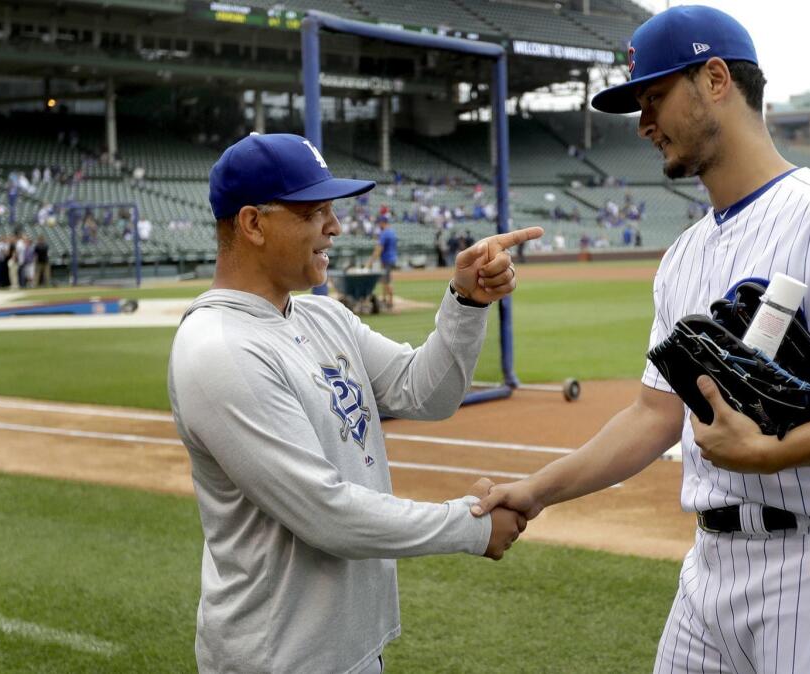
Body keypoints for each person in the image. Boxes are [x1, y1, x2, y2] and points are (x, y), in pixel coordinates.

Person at [474, 7, 810, 673]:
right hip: (709, 568)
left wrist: (774, 449)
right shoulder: (684, 259)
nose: (644, 123)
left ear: (717, 79)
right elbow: (654, 413)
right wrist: (535, 491)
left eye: (655, 98)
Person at [167, 133, 541, 673]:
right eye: (314, 212)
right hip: (277, 657)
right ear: (252, 224)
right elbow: (325, 513)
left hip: (349, 646)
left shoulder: (320, 316)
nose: (335, 228)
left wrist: (466, 301)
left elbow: (423, 391)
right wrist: (472, 525)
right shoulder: (219, 348)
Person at [370, 220, 399, 309]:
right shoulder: (392, 232)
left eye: (380, 223)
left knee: (386, 281)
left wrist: (371, 261)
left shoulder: (385, 233)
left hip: (387, 259)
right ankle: (384, 298)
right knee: (385, 279)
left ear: (383, 223)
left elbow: (379, 248)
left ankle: (390, 302)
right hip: (391, 258)